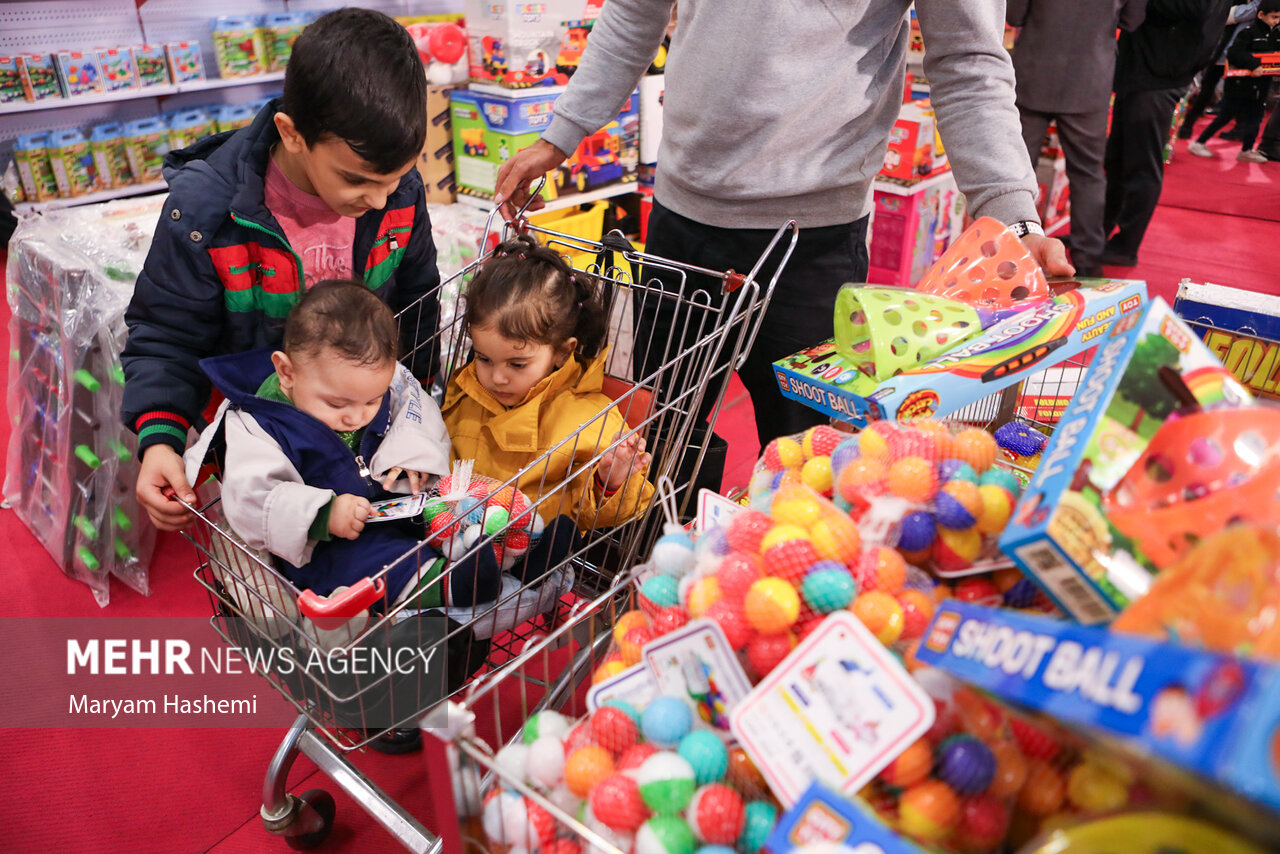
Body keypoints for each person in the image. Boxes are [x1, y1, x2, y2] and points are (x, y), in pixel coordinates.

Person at [493, 1, 1073, 450]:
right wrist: (560, 134)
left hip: (813, 244)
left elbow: (969, 62)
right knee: (659, 446)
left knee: (805, 461)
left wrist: (1011, 214)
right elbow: (634, 13)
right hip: (681, 226)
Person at [122, 7, 441, 533]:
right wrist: (161, 438)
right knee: (274, 597)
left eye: (397, 177)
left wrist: (420, 412)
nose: (381, 197)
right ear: (292, 134)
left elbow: (417, 302)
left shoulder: (398, 196)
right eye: (358, 179)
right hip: (261, 454)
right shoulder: (208, 212)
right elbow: (166, 332)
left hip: (369, 442)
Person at [185, 280, 504, 611]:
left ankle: (514, 549)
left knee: (456, 503)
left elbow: (416, 410)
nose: (356, 417)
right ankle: (447, 584)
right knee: (364, 562)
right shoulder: (256, 424)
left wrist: (412, 455)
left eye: (372, 401)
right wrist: (323, 514)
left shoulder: (383, 380)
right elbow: (251, 493)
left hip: (394, 501)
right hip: (328, 541)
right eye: (338, 405)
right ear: (287, 372)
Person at [443, 236, 656, 532]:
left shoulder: (590, 419)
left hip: (535, 558)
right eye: (484, 358)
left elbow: (596, 516)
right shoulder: (464, 393)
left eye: (517, 364)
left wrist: (610, 480)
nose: (497, 377)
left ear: (562, 351)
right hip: (454, 537)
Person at [1008, 0, 1148, 278]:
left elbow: (1014, 14)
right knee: (1088, 174)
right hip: (1090, 78)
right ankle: (1087, 259)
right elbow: (1133, 21)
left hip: (1035, 71)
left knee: (1015, 170)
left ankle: (1008, 247)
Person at [1103, 0, 1235, 267]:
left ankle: (1126, 245)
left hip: (1160, 72)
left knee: (1141, 165)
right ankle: (1097, 232)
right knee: (1117, 159)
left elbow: (1193, 9)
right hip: (1145, 68)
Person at [1188, 0, 1280, 161]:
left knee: (1256, 118)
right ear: (1261, 15)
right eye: (1274, 17)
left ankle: (1246, 150)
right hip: (1239, 84)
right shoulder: (1248, 32)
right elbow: (1234, 53)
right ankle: (1200, 142)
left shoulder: (1275, 35)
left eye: (1279, 18)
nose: (1276, 21)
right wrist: (1254, 65)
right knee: (1225, 115)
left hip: (1261, 85)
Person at [1177, 3, 1262, 139]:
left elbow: (1254, 9)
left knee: (1234, 91)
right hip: (1224, 43)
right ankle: (1188, 126)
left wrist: (1227, 14)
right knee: (1210, 86)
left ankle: (1194, 130)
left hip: (1239, 47)